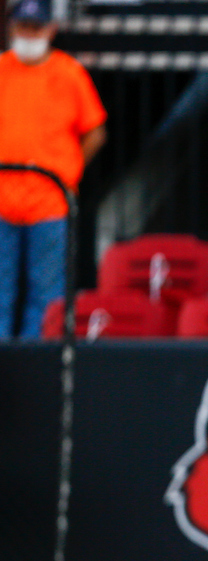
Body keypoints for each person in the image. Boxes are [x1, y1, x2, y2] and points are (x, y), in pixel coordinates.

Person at [0, 0, 107, 338]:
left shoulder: (68, 73)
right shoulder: (2, 69)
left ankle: (38, 371)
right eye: (22, 27)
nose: (28, 35)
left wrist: (68, 170)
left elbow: (95, 132)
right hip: (2, 201)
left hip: (49, 203)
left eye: (35, 27)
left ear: (50, 29)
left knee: (46, 297)